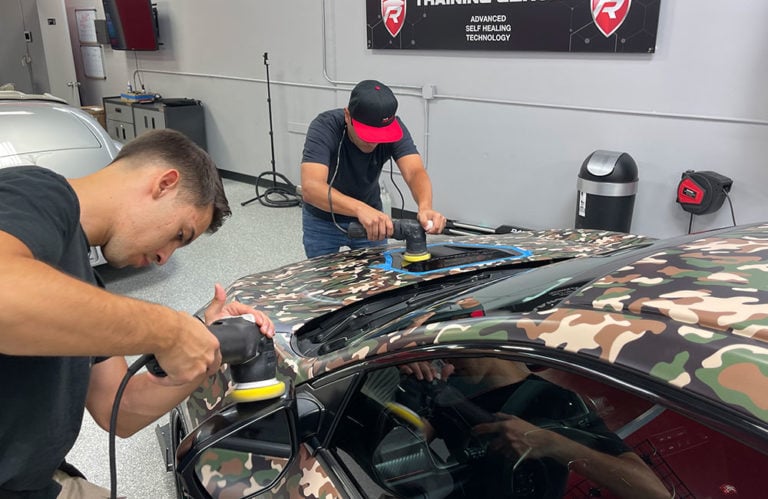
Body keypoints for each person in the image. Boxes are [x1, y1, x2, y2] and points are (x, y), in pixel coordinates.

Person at [0, 129, 275, 498]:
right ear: (164, 183)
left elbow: (120, 407)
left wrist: (203, 352)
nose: (164, 258)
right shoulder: (36, 192)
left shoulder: (85, 285)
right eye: (180, 234)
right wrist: (170, 331)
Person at [398, 358, 670, 499]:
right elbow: (397, 463)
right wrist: (409, 391)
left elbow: (651, 492)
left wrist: (551, 443)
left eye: (450, 347)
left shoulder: (556, 401)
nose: (446, 362)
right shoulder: (449, 395)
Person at [300, 79, 446, 258]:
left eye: (380, 135)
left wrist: (425, 206)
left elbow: (415, 171)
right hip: (322, 220)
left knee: (376, 277)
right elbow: (311, 187)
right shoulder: (325, 127)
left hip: (373, 221)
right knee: (322, 278)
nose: (373, 142)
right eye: (367, 134)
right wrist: (359, 209)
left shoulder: (395, 127)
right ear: (348, 116)